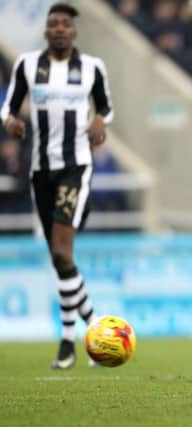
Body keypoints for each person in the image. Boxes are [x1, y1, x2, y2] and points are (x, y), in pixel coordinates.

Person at [0, 3, 113, 369]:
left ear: (73, 31)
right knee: (59, 259)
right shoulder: (28, 66)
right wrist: (10, 122)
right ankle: (71, 339)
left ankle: (91, 331)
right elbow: (9, 107)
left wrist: (98, 120)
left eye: (66, 23)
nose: (60, 29)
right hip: (40, 171)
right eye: (54, 24)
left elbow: (106, 109)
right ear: (46, 31)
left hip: (75, 168)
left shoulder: (92, 68)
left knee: (62, 253)